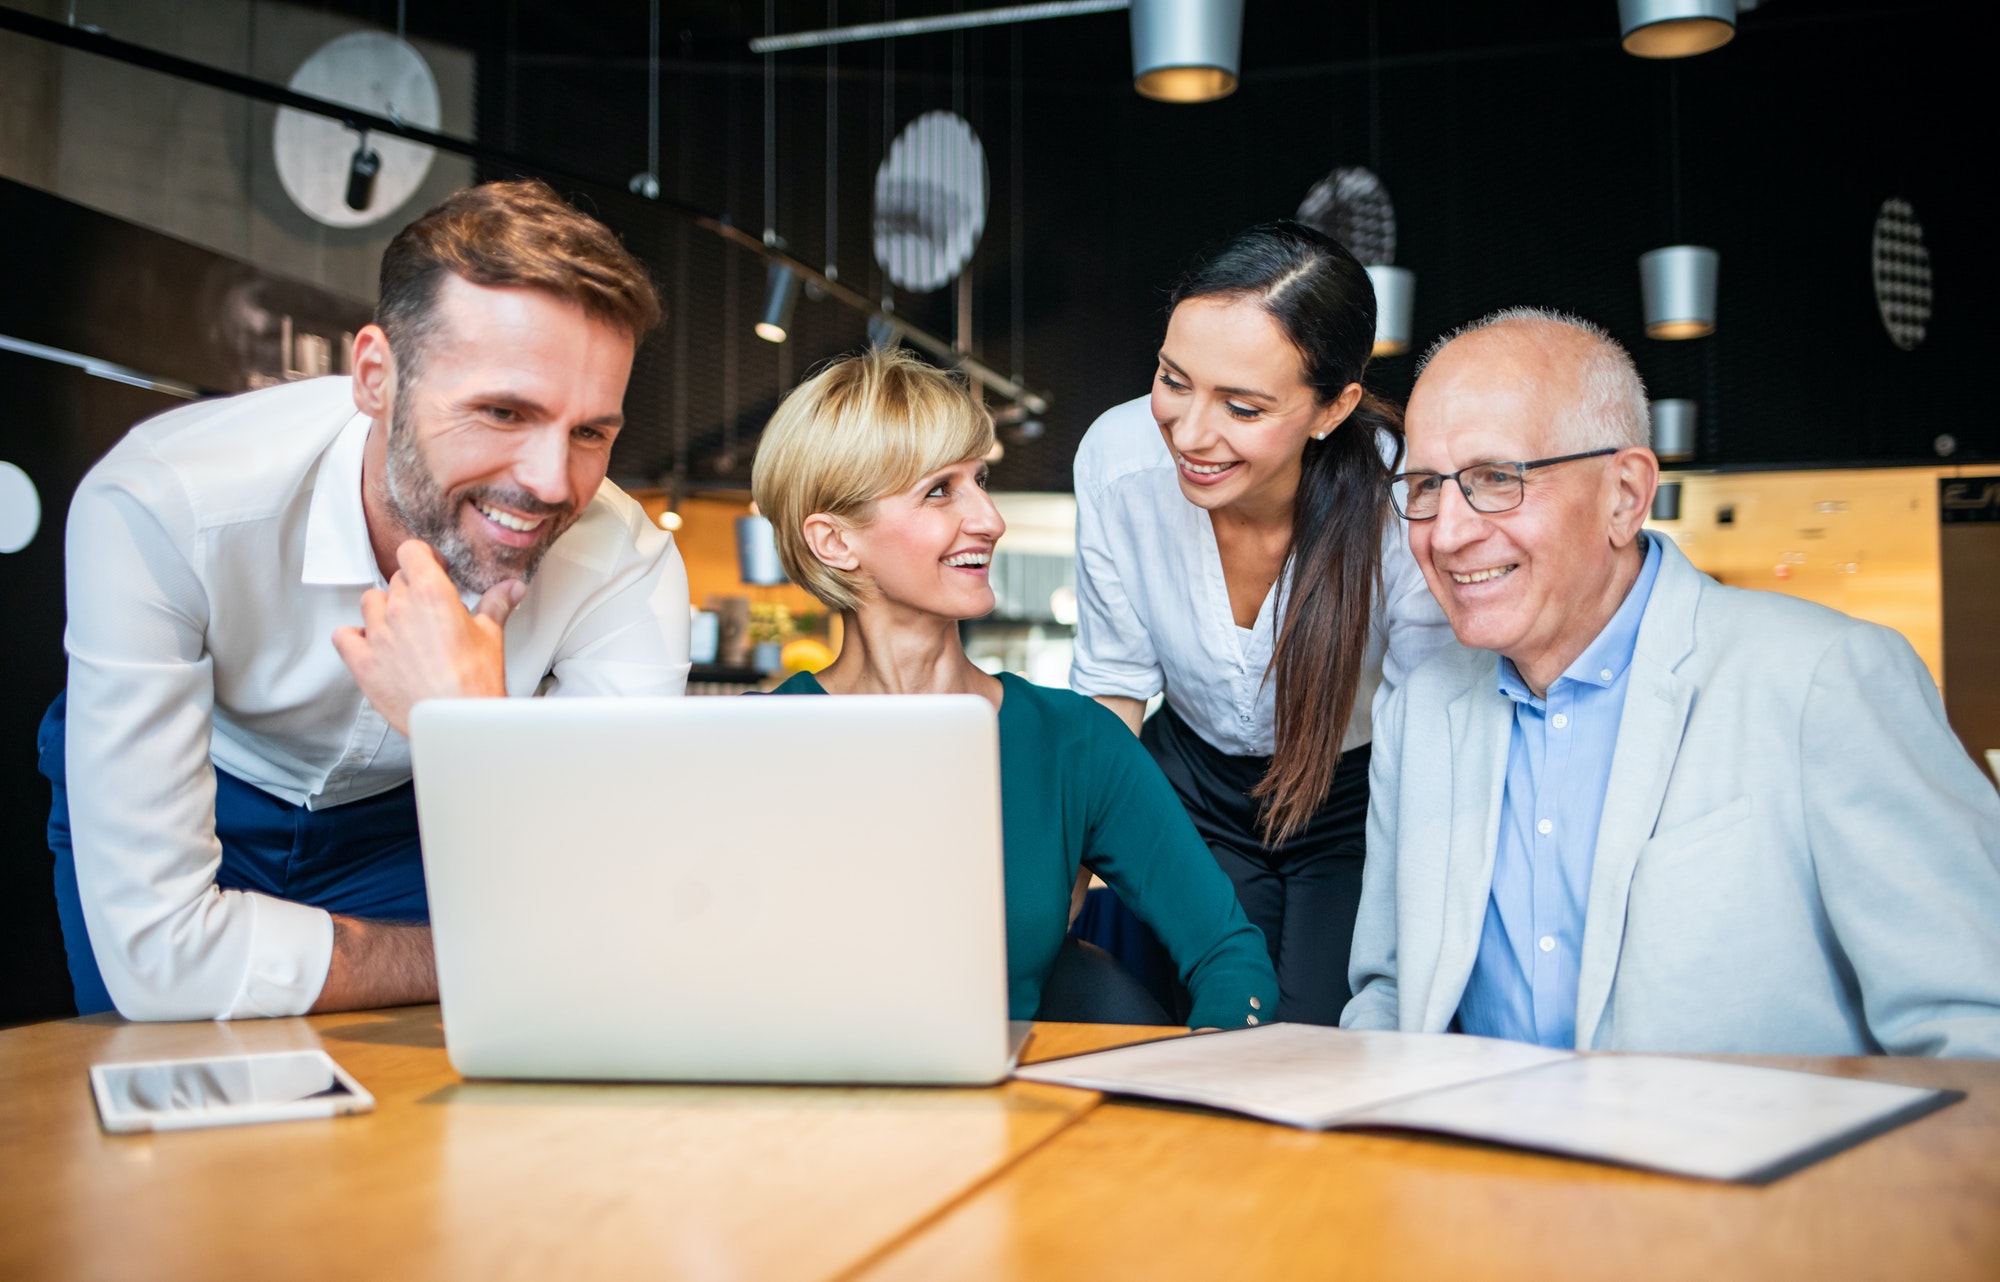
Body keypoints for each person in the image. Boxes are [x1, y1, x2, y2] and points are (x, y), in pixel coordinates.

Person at [41, 179, 692, 1022]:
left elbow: (605, 912)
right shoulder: (164, 505)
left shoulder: (626, 564)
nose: (549, 481)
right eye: (502, 411)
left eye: (591, 432)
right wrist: (488, 954)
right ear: (376, 375)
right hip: (205, 777)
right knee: (160, 1088)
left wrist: (471, 734)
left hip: (412, 822)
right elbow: (161, 964)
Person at [1344, 306, 2000, 1056]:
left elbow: (1975, 1026)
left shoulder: (1825, 681)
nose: (1448, 532)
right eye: (1426, 487)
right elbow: (1390, 995)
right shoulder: (1420, 711)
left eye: (1497, 478)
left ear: (1625, 494)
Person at [751, 346, 1279, 1029]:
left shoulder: (1073, 742)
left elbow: (1228, 955)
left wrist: (1215, 1075)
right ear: (833, 542)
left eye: (980, 480)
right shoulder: (753, 749)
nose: (989, 520)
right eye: (940, 490)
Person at [1069, 221, 1452, 1024]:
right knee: (1218, 1019)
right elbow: (1112, 687)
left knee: (1315, 1036)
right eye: (1174, 380)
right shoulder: (1117, 458)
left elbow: (1433, 707)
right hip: (1194, 786)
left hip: (1350, 797)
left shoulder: (1399, 493)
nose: (1192, 433)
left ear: (1332, 407)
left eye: (1242, 407)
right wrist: (1063, 884)